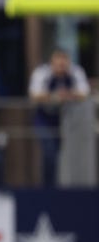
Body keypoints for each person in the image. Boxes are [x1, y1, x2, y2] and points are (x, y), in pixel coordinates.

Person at [28, 48, 90, 187]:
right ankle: (49, 186)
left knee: (69, 154)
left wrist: (68, 95)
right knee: (49, 152)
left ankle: (71, 187)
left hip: (68, 118)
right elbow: (34, 95)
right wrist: (54, 97)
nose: (61, 68)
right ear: (52, 63)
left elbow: (85, 93)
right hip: (44, 117)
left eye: (64, 64)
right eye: (58, 64)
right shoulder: (42, 73)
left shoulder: (75, 72)